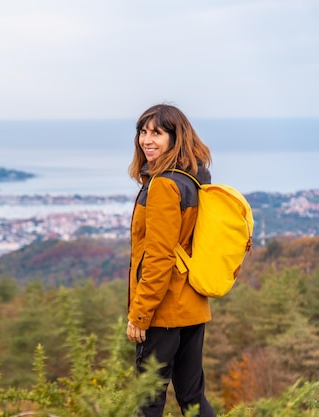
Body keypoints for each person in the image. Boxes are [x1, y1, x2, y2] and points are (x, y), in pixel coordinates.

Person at [125, 104, 216, 417]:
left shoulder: (164, 184)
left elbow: (159, 256)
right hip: (192, 304)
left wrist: (140, 314)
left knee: (147, 399)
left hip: (163, 311)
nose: (146, 140)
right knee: (192, 397)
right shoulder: (193, 178)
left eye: (157, 133)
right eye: (143, 132)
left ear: (175, 138)